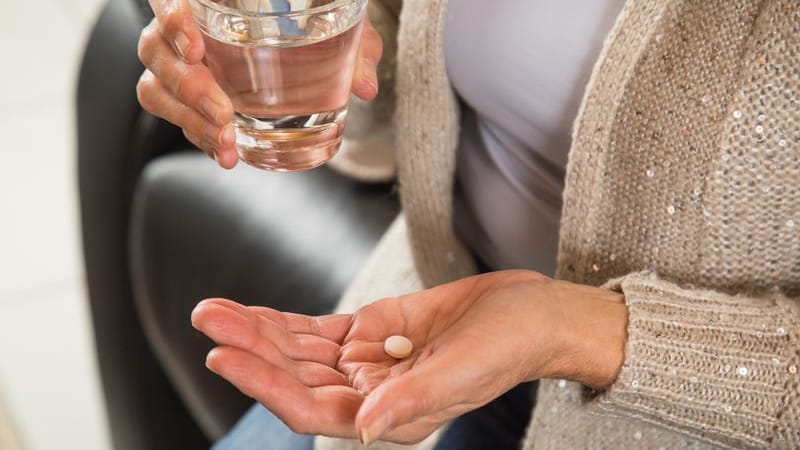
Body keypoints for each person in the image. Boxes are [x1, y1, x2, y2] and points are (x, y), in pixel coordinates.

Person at [137, 0, 800, 449]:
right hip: (423, 324)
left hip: (688, 421)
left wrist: (580, 332)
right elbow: (401, 55)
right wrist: (300, 53)